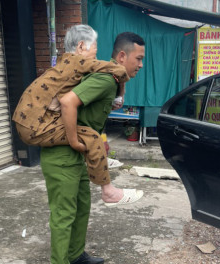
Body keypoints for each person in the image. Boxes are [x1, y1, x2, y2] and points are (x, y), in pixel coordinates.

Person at [41, 30, 145, 264]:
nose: (141, 65)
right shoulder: (105, 80)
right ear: (122, 56)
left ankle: (74, 255)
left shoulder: (112, 80)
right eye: (139, 58)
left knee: (82, 206)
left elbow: (89, 116)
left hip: (77, 155)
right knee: (63, 215)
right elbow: (68, 102)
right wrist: (75, 141)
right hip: (62, 153)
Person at [12, 25, 133, 205]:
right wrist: (120, 95)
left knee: (89, 136)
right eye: (95, 50)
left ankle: (99, 160)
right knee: (91, 136)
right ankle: (108, 192)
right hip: (33, 126)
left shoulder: (64, 64)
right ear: (81, 47)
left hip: (27, 121)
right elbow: (119, 70)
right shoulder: (78, 62)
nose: (96, 56)